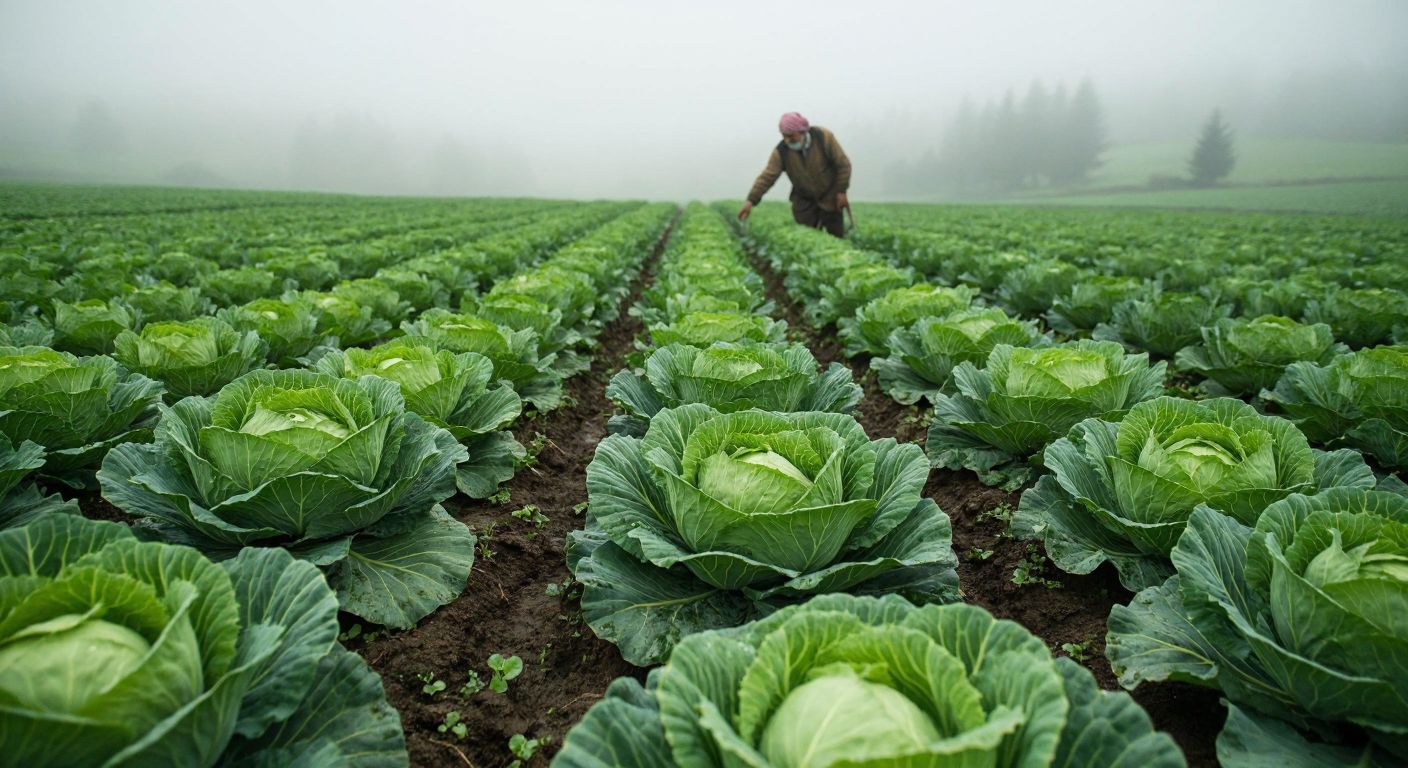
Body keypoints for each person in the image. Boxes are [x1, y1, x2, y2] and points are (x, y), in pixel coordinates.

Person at [737, 112, 852, 237]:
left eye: (791, 136)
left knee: (835, 236)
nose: (787, 140)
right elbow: (768, 177)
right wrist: (751, 200)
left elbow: (843, 165)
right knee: (807, 239)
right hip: (804, 200)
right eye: (784, 136)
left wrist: (841, 191)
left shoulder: (823, 137)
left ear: (802, 131)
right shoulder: (781, 151)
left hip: (830, 195)